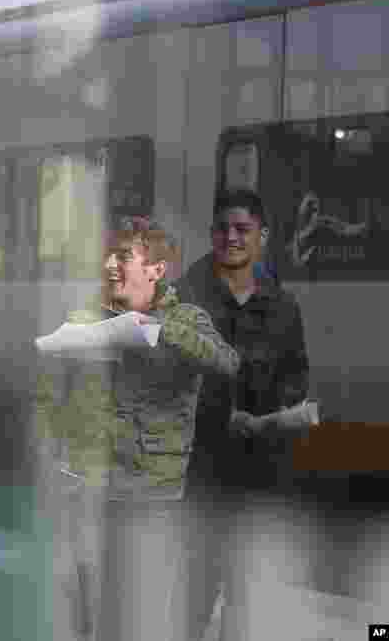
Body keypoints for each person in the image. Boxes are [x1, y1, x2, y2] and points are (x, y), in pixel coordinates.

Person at [36, 216, 239, 641]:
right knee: (88, 614)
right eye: (107, 255)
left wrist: (157, 331)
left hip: (151, 497)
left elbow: (226, 362)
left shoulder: (186, 319)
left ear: (156, 269)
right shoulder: (90, 319)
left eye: (123, 256)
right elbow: (53, 395)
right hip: (91, 493)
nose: (110, 265)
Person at [176, 189, 312, 641]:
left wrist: (275, 411)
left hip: (260, 475)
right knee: (193, 595)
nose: (231, 237)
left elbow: (297, 373)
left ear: (262, 237)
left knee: (247, 594)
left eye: (242, 229)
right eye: (222, 229)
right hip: (201, 474)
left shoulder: (283, 307)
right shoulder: (185, 301)